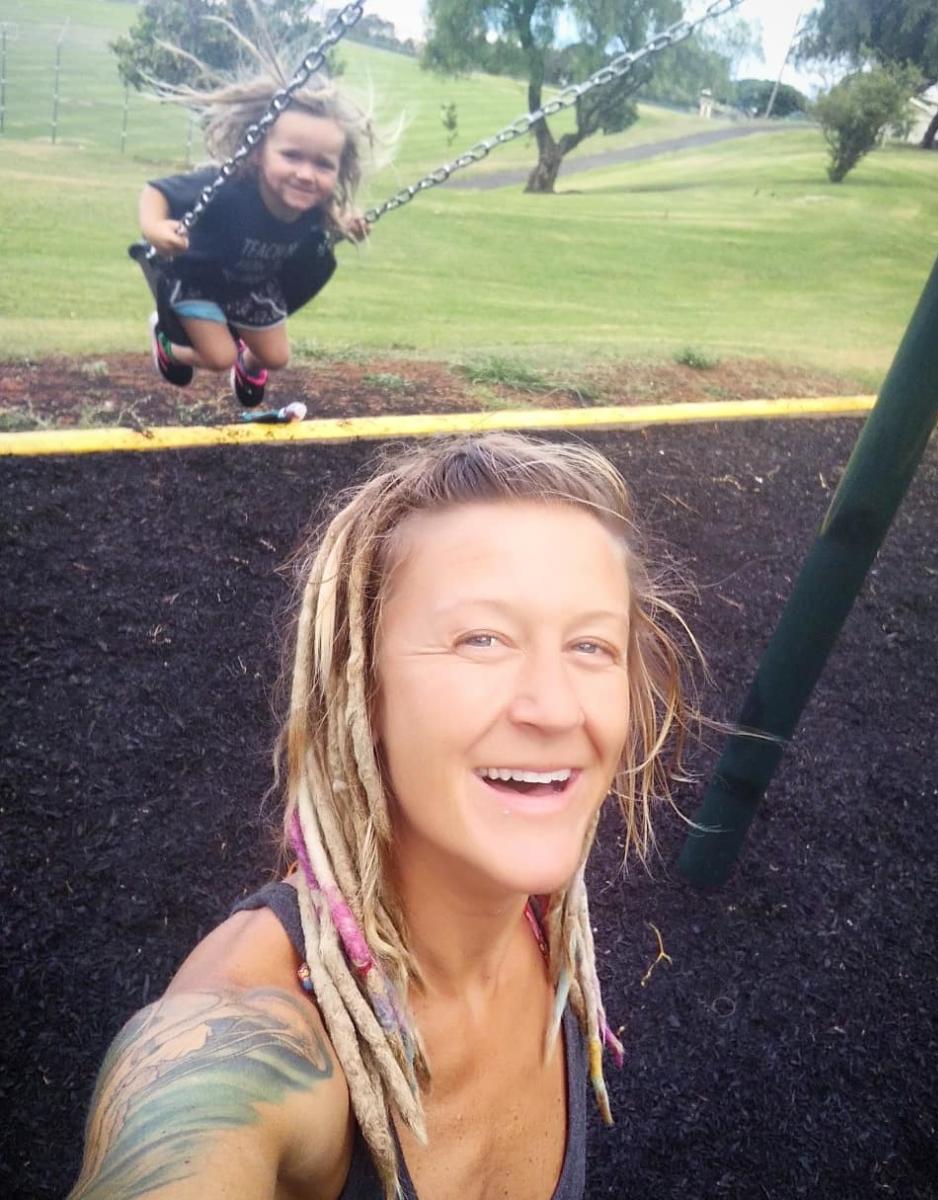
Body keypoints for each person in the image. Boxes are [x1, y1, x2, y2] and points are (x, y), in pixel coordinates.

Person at [69, 433, 699, 1200]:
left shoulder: (547, 938)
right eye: (483, 639)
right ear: (361, 685)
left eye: (592, 646)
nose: (556, 706)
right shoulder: (242, 1045)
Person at [139, 67, 373, 410]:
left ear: (339, 169)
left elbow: (320, 227)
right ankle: (167, 343)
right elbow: (156, 191)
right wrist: (155, 230)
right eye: (291, 156)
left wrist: (345, 226)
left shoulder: (313, 207)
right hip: (198, 279)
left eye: (323, 165)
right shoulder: (230, 187)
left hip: (252, 286)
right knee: (219, 356)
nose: (306, 175)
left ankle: (246, 370)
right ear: (258, 151)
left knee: (276, 357)